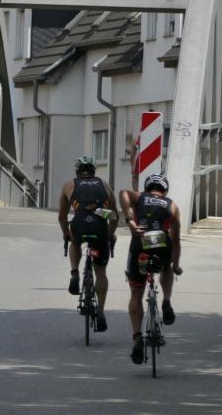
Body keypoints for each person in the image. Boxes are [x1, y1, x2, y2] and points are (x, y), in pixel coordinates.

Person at [119, 174, 182, 365]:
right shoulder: (172, 205)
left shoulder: (139, 196)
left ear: (147, 188)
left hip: (141, 242)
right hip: (162, 242)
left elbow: (122, 193)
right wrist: (176, 264)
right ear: (165, 191)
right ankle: (166, 300)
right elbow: (176, 241)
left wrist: (130, 221)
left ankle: (137, 337)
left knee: (136, 294)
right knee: (166, 267)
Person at [58, 156, 118, 332]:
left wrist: (66, 233)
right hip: (99, 223)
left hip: (79, 223)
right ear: (94, 171)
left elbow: (62, 216)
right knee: (101, 271)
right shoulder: (105, 185)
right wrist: (109, 235)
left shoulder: (69, 185)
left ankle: (75, 273)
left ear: (77, 172)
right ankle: (101, 312)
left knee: (75, 242)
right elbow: (114, 216)